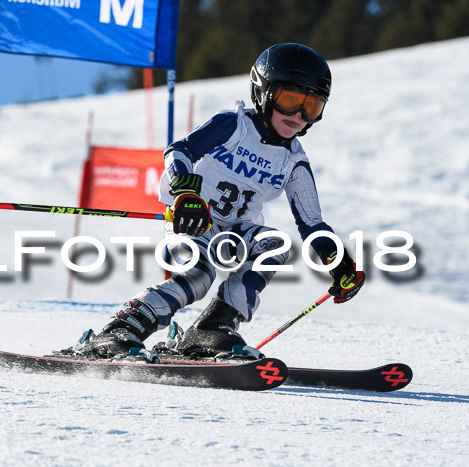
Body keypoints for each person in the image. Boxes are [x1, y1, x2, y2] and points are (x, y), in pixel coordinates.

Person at [74, 43, 366, 360]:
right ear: (264, 92)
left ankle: (212, 328)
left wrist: (339, 263)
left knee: (275, 245)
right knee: (199, 276)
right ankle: (120, 329)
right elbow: (179, 151)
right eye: (290, 100)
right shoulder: (235, 125)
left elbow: (312, 224)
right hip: (195, 218)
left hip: (236, 232)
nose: (298, 115)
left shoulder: (294, 161)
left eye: (312, 106)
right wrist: (186, 194)